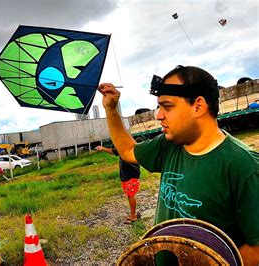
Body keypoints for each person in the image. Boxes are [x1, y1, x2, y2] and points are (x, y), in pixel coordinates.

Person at [98, 65, 258, 265]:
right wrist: (111, 109)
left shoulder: (244, 166)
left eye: (167, 106)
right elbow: (128, 151)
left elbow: (257, 247)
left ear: (198, 106)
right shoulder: (169, 145)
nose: (158, 115)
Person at [95, 145, 140, 224]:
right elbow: (113, 151)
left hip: (132, 176)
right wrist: (102, 148)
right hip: (126, 176)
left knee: (130, 195)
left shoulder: (131, 148)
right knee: (129, 195)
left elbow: (141, 159)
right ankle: (133, 214)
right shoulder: (122, 147)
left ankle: (133, 216)